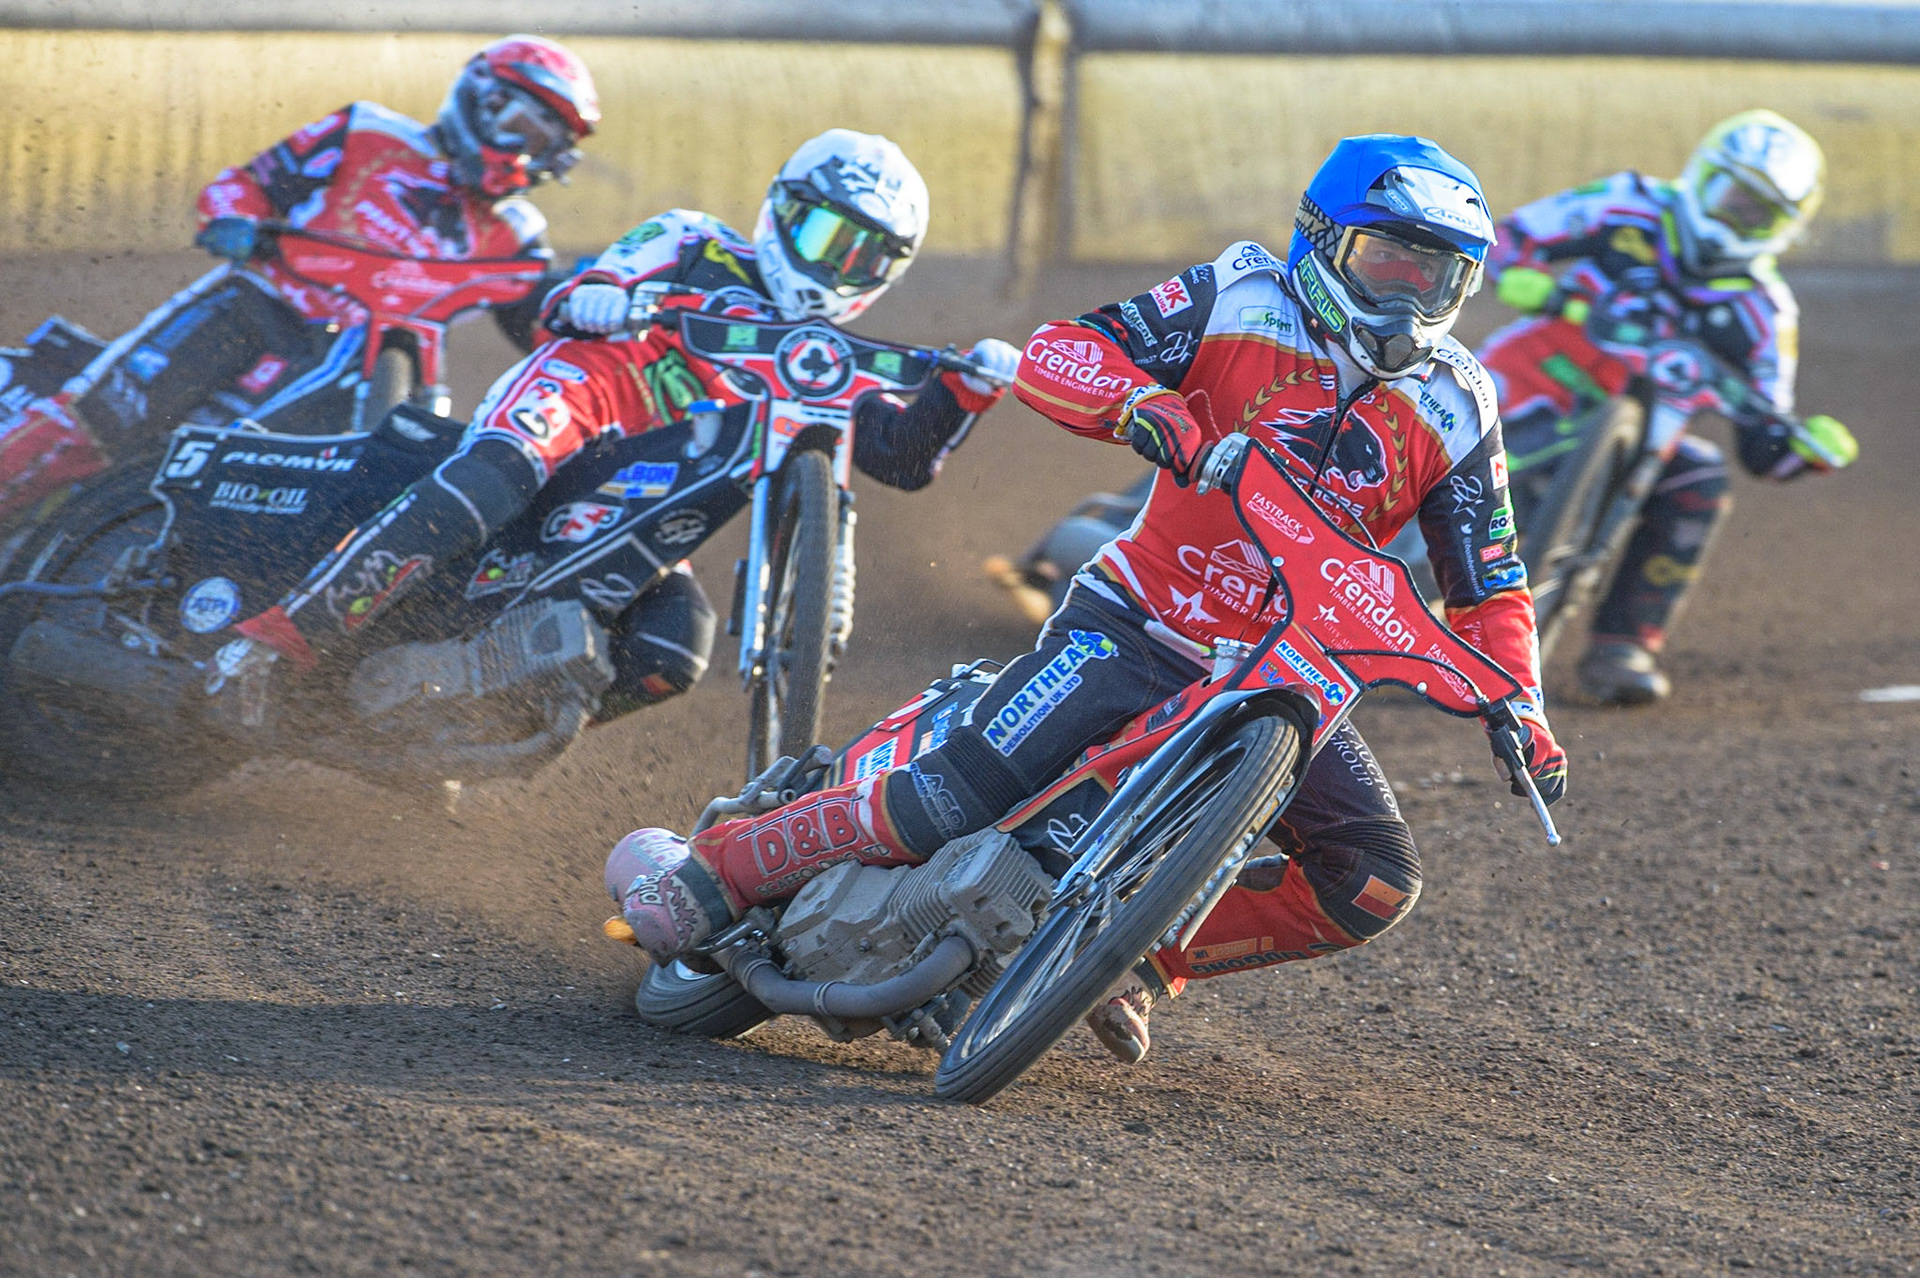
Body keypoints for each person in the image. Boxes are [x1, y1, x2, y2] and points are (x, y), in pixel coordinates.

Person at [604, 135, 1568, 1066]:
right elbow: (1063, 351)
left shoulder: (1459, 402)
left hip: (1303, 669)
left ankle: (1131, 957)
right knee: (956, 796)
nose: (1407, 296)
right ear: (1321, 238)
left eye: (1435, 276)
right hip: (1142, 619)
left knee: (1372, 880)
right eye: (1387, 260)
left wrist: (1519, 702)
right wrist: (1149, 409)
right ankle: (719, 870)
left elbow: (1491, 579)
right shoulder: (1237, 294)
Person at [216, 128, 1018, 716]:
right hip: (578, 402)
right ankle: (283, 634)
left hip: (645, 493)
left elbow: (899, 458)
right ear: (784, 211)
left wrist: (966, 392)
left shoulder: (820, 358)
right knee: (496, 480)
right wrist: (603, 297)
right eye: (827, 237)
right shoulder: (694, 240)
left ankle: (455, 725)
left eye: (865, 257)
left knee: (675, 645)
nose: (839, 268)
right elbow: (570, 300)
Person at [0, 35, 600, 522]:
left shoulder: (517, 234)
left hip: (369, 375)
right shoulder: (366, 133)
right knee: (97, 422)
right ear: (484, 100)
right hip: (253, 311)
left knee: (337, 497)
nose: (530, 156)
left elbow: (543, 323)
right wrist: (234, 218)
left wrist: (590, 302)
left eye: (551, 148)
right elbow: (246, 185)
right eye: (528, 130)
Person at [1479, 108, 1857, 704]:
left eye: (1760, 212)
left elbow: (1764, 439)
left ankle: (1623, 648)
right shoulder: (1629, 204)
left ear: (1786, 226)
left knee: (1702, 481)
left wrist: (1806, 450)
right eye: (1733, 195)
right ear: (1702, 172)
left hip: (1647, 438)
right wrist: (1520, 277)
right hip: (1540, 370)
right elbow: (1506, 238)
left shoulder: (1765, 313)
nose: (1739, 215)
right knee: (1451, 422)